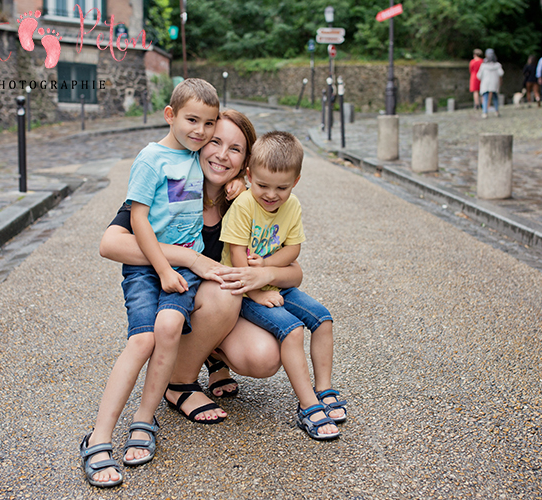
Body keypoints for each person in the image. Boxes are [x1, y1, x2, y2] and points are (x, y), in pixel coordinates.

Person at [89, 109, 313, 485]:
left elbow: (296, 269)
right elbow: (110, 244)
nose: (222, 154)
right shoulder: (174, 187)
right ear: (198, 142)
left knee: (263, 357)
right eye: (215, 142)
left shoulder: (247, 201)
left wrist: (266, 273)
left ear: (248, 161)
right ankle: (179, 383)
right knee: (222, 296)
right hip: (191, 294)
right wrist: (188, 256)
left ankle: (208, 354)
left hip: (213, 302)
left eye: (236, 148)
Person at [79, 78, 220, 488]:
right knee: (142, 340)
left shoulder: (199, 158)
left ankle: (144, 418)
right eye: (192, 120)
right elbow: (137, 219)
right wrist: (161, 268)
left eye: (209, 123)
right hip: (149, 267)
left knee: (170, 326)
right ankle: (99, 436)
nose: (201, 131)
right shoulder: (150, 159)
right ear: (170, 115)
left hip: (185, 269)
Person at [220, 131, 346, 441]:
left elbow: (293, 250)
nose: (271, 194)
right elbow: (237, 258)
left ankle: (324, 388)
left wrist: (268, 267)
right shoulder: (244, 206)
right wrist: (258, 291)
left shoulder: (293, 206)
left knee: (323, 319)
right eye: (262, 185)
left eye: (282, 187)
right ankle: (308, 406)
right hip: (243, 287)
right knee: (291, 329)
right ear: (249, 175)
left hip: (271, 279)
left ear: (296, 181)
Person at [477, 48, 504, 118]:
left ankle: (485, 112)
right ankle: (497, 111)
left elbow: (479, 75)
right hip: (494, 83)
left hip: (485, 83)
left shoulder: (483, 65)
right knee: (495, 97)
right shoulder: (497, 65)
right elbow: (501, 73)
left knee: (485, 97)